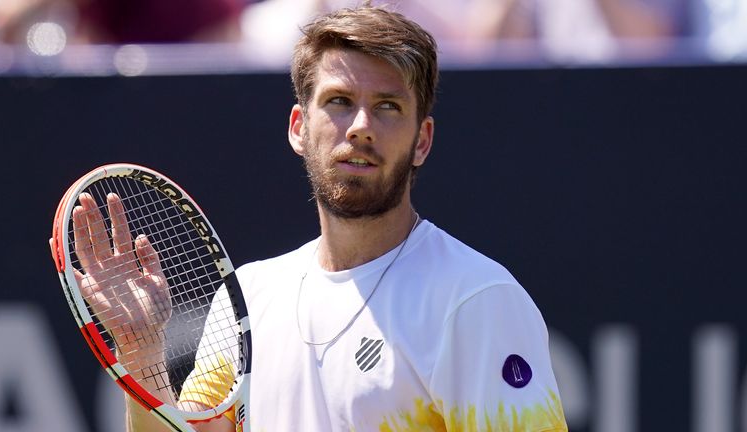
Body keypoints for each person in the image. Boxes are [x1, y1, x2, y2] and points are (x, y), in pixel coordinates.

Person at [70, 3, 568, 431]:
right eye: (339, 102)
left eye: (388, 106)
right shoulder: (250, 297)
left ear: (423, 140)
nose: (361, 127)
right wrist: (141, 350)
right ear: (298, 128)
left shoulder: (476, 300)